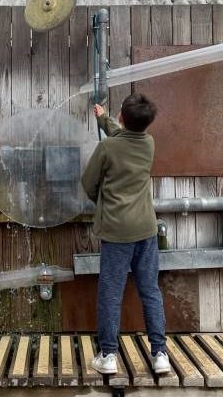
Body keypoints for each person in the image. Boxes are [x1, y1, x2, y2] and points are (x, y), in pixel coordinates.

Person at [81, 93, 170, 375]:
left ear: (122, 117)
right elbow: (126, 136)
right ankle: (159, 355)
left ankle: (108, 356)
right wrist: (103, 118)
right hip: (146, 229)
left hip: (117, 232)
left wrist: (103, 201)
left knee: (110, 294)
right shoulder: (149, 143)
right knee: (150, 291)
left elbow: (88, 183)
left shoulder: (107, 148)